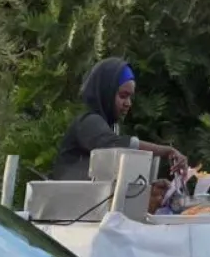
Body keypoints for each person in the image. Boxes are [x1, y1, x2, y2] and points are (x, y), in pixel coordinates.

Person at [51, 58, 186, 181]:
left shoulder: (111, 127)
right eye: (123, 96)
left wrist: (151, 189)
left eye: (130, 97)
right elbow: (115, 145)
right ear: (106, 92)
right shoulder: (88, 122)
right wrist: (167, 151)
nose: (128, 103)